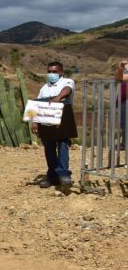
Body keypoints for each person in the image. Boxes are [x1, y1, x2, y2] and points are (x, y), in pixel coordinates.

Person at [33, 61, 76, 189]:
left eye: (54, 72)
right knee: (49, 148)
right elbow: (37, 104)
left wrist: (57, 98)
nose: (51, 74)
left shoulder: (67, 82)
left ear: (61, 72)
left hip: (62, 121)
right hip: (46, 122)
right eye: (49, 72)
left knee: (63, 145)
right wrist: (35, 121)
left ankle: (64, 175)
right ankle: (52, 177)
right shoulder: (44, 88)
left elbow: (67, 90)